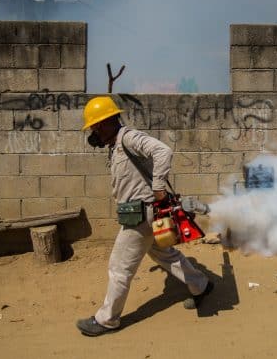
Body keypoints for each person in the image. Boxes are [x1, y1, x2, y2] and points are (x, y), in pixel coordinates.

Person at [76, 96, 213, 337]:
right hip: (144, 215)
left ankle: (106, 320)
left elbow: (163, 151)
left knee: (119, 268)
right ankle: (200, 285)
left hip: (141, 217)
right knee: (165, 254)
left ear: (108, 122)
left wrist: (159, 186)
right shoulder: (116, 144)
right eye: (93, 127)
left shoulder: (128, 138)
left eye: (97, 125)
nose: (95, 131)